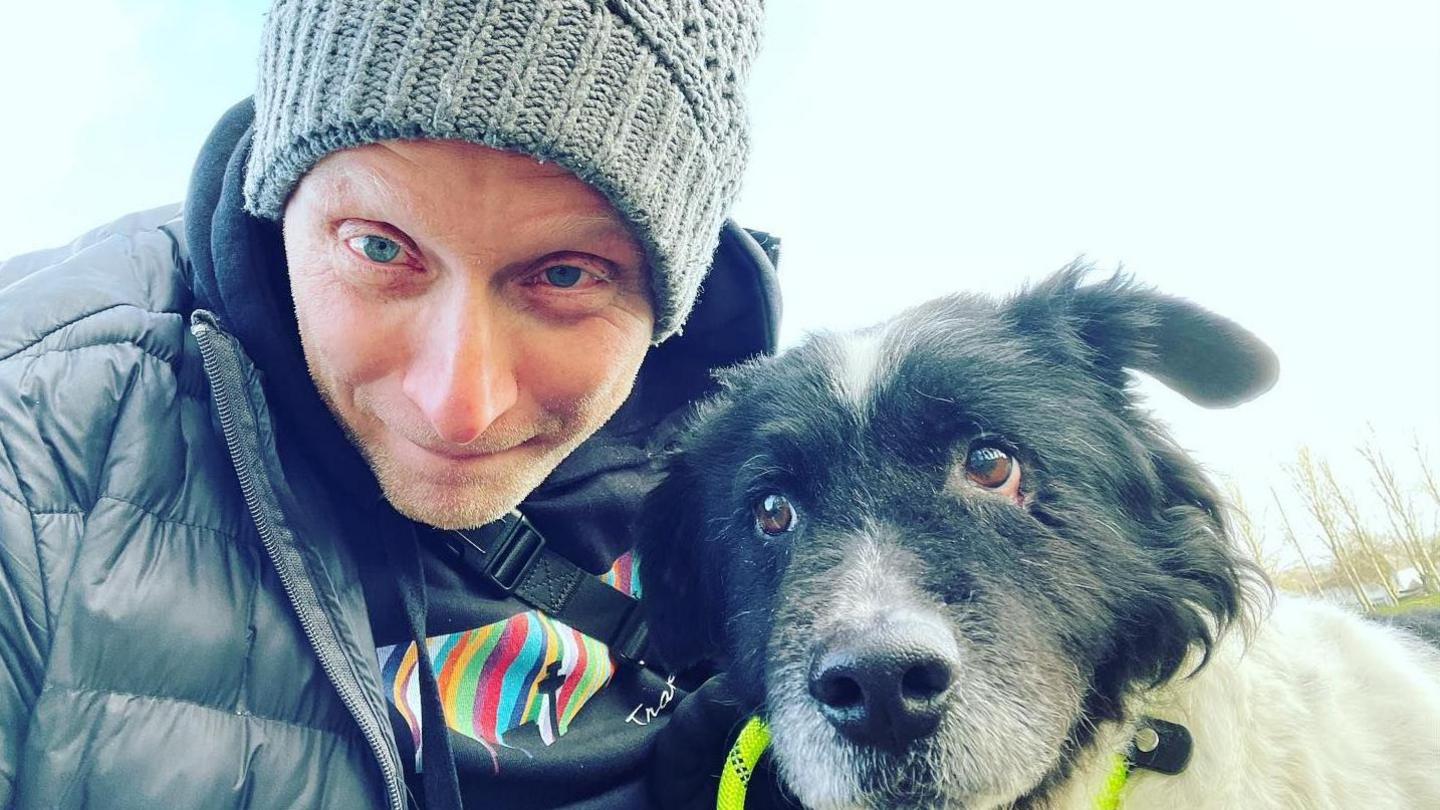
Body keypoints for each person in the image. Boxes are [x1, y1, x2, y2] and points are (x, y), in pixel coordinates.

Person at [0, 1, 785, 807]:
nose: (458, 409)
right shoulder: (42, 450)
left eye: (565, 274)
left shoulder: (773, 482)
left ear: (670, 291)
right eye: (379, 248)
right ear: (281, 206)